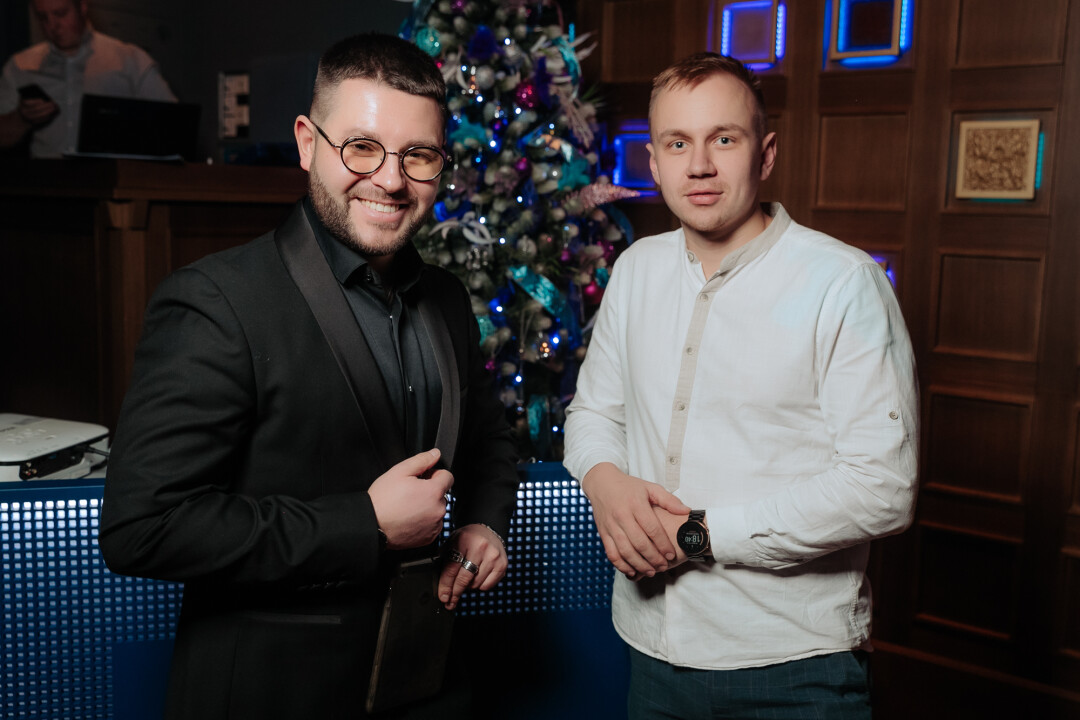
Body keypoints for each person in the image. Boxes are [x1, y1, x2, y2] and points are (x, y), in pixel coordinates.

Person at [97, 33, 519, 720]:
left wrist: (484, 522)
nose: (390, 180)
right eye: (362, 147)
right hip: (272, 694)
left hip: (427, 680)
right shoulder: (216, 300)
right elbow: (143, 527)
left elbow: (490, 439)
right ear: (306, 143)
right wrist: (366, 524)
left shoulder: (446, 296)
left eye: (418, 155)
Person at [563, 52, 919, 719]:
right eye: (678, 143)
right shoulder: (635, 269)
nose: (699, 165)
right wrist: (605, 483)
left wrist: (697, 535)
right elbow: (593, 413)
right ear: (654, 162)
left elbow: (883, 489)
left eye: (723, 139)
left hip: (791, 669)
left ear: (766, 154)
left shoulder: (843, 284)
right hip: (649, 652)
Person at [0, 0, 176, 157]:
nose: (52, 25)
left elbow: (173, 126)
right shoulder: (21, 65)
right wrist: (21, 119)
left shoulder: (129, 60)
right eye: (42, 17)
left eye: (60, 14)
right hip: (47, 179)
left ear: (82, 6)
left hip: (112, 177)